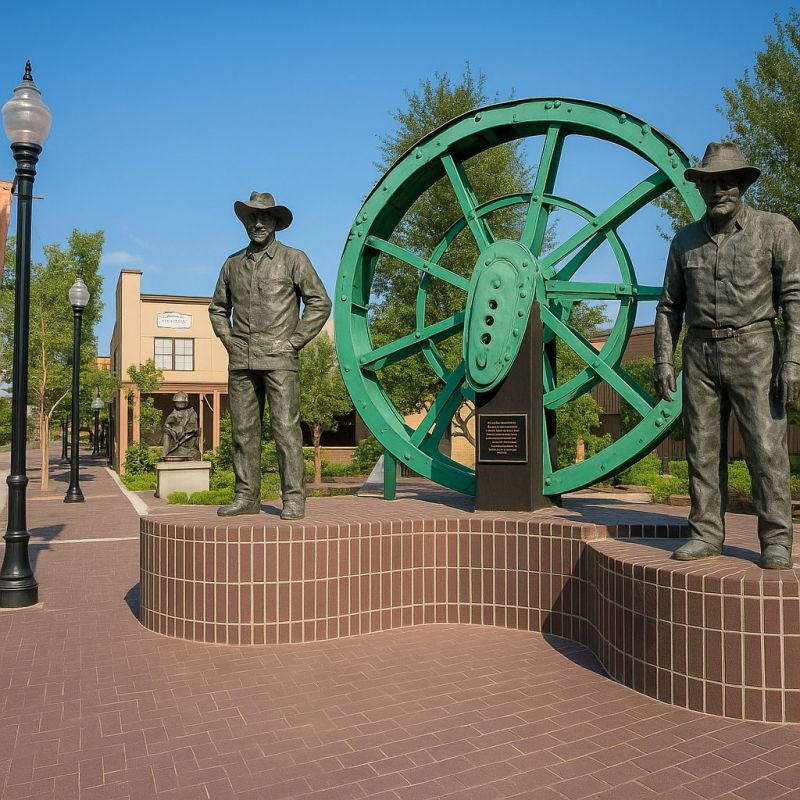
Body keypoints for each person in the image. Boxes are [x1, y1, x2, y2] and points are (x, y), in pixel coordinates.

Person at [654, 142, 800, 569]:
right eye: (711, 183)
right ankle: (704, 533)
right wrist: (663, 359)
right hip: (699, 353)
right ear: (700, 188)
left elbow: (794, 298)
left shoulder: (776, 230)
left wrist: (793, 360)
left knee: (766, 448)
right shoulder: (684, 241)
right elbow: (669, 306)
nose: (720, 190)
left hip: (755, 349)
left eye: (728, 182)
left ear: (742, 185)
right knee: (701, 449)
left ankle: (776, 539)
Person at [209, 192, 331, 519]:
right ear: (245, 223)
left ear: (275, 222)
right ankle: (246, 497)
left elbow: (320, 302)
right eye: (252, 218)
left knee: (285, 431)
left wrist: (294, 342)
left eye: (264, 217)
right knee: (242, 432)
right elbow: (218, 308)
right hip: (242, 361)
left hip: (280, 360)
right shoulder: (232, 264)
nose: (258, 223)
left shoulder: (294, 259)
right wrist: (229, 341)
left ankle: (293, 498)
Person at [161, 391, 200, 460]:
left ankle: (180, 450)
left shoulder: (191, 412)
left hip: (187, 433)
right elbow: (167, 424)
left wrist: (182, 428)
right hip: (176, 432)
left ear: (186, 403)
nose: (179, 404)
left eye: (181, 402)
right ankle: (166, 455)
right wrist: (170, 426)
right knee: (166, 432)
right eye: (177, 402)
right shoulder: (174, 412)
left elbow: (194, 426)